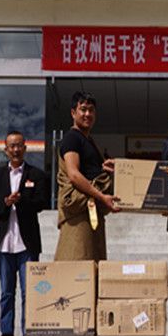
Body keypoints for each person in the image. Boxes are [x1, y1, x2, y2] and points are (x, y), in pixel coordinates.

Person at [0, 131, 49, 336]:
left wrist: (21, 201)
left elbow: (41, 202)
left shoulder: (36, 174)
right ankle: (6, 332)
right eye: (11, 146)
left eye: (19, 145)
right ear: (5, 150)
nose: (15, 150)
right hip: (4, 242)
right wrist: (6, 203)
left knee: (29, 291)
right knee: (6, 292)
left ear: (25, 148)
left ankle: (28, 330)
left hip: (27, 242)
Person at [54, 92, 119, 261]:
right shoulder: (72, 138)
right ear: (73, 113)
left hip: (90, 213)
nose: (87, 114)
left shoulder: (88, 140)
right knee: (77, 263)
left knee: (92, 262)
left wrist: (104, 169)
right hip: (78, 213)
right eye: (83, 109)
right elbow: (74, 175)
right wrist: (101, 196)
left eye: (91, 110)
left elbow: (88, 170)